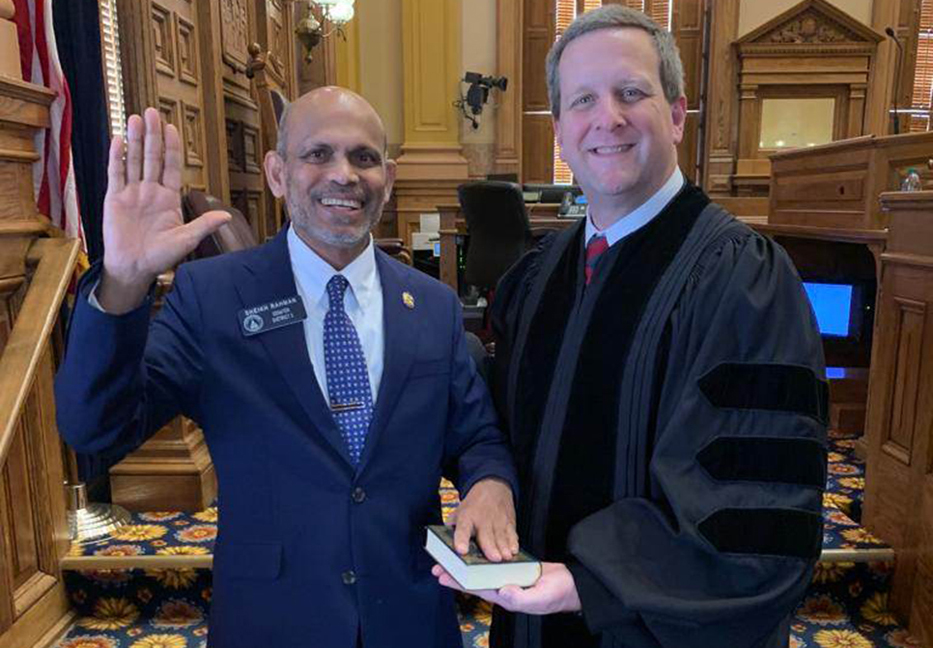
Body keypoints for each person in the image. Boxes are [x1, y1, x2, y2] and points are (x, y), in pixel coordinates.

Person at [55, 87, 520, 648]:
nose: (344, 174)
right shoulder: (214, 296)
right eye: (317, 154)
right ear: (277, 173)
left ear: (389, 178)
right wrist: (124, 282)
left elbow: (476, 434)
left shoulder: (433, 305)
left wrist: (491, 482)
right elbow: (93, 428)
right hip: (271, 618)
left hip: (408, 615)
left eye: (364, 157)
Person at [433, 6, 828, 647]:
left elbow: (754, 512)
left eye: (631, 92)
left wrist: (589, 585)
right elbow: (498, 419)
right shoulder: (541, 273)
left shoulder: (742, 278)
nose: (606, 118)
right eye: (583, 99)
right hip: (530, 616)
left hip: (659, 630)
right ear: (560, 130)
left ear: (675, 114)